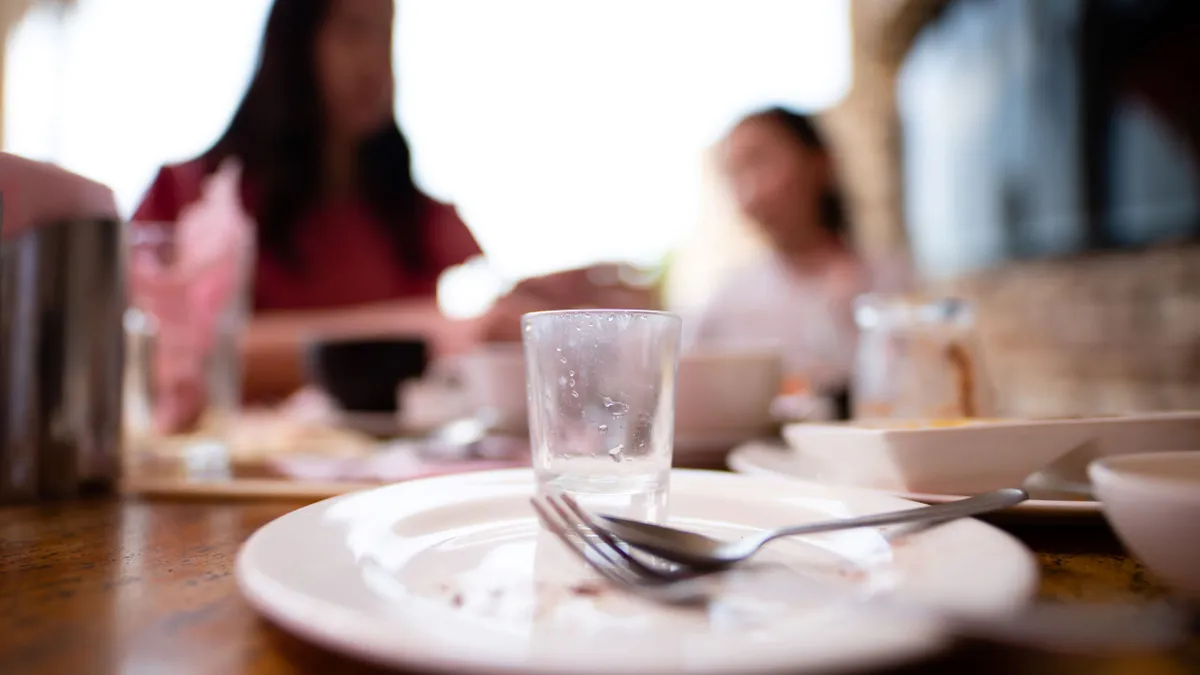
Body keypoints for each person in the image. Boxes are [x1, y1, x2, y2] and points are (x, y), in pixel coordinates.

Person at [134, 0, 486, 401]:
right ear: (293, 40)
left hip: (391, 461)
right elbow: (179, 355)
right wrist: (430, 330)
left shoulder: (413, 216)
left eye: (385, 35)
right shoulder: (190, 195)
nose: (375, 61)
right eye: (355, 31)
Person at [693, 107, 912, 411]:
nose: (749, 194)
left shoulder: (889, 283)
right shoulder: (729, 300)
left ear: (819, 162)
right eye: (734, 174)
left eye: (760, 161)